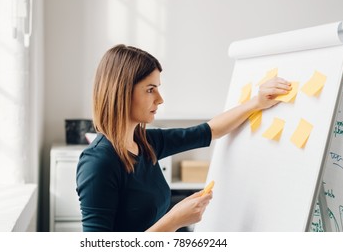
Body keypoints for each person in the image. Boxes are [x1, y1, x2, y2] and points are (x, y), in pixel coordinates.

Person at [76, 44, 291, 232]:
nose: (160, 99)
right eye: (150, 90)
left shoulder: (145, 143)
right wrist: (173, 221)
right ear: (121, 92)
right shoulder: (98, 163)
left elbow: (209, 130)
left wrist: (257, 103)